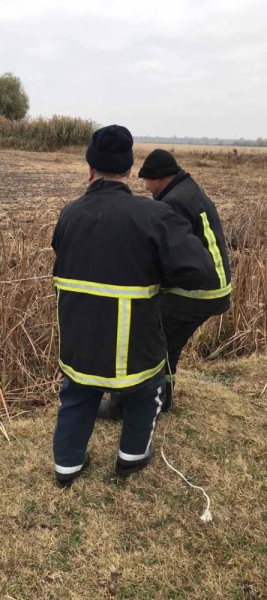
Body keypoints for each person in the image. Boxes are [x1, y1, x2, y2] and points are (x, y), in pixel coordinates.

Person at [51, 126, 221, 488]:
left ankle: (67, 466)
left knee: (78, 395)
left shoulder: (68, 214)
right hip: (134, 347)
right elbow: (202, 270)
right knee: (146, 393)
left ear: (89, 170)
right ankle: (131, 458)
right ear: (129, 171)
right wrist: (160, 273)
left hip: (78, 342)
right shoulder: (153, 216)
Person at [99, 149, 231, 419]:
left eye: (147, 181)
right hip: (214, 288)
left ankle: (124, 405)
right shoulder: (189, 191)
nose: (147, 188)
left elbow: (165, 254)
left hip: (195, 292)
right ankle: (163, 400)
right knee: (167, 345)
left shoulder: (173, 203)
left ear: (160, 178)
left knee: (144, 341)